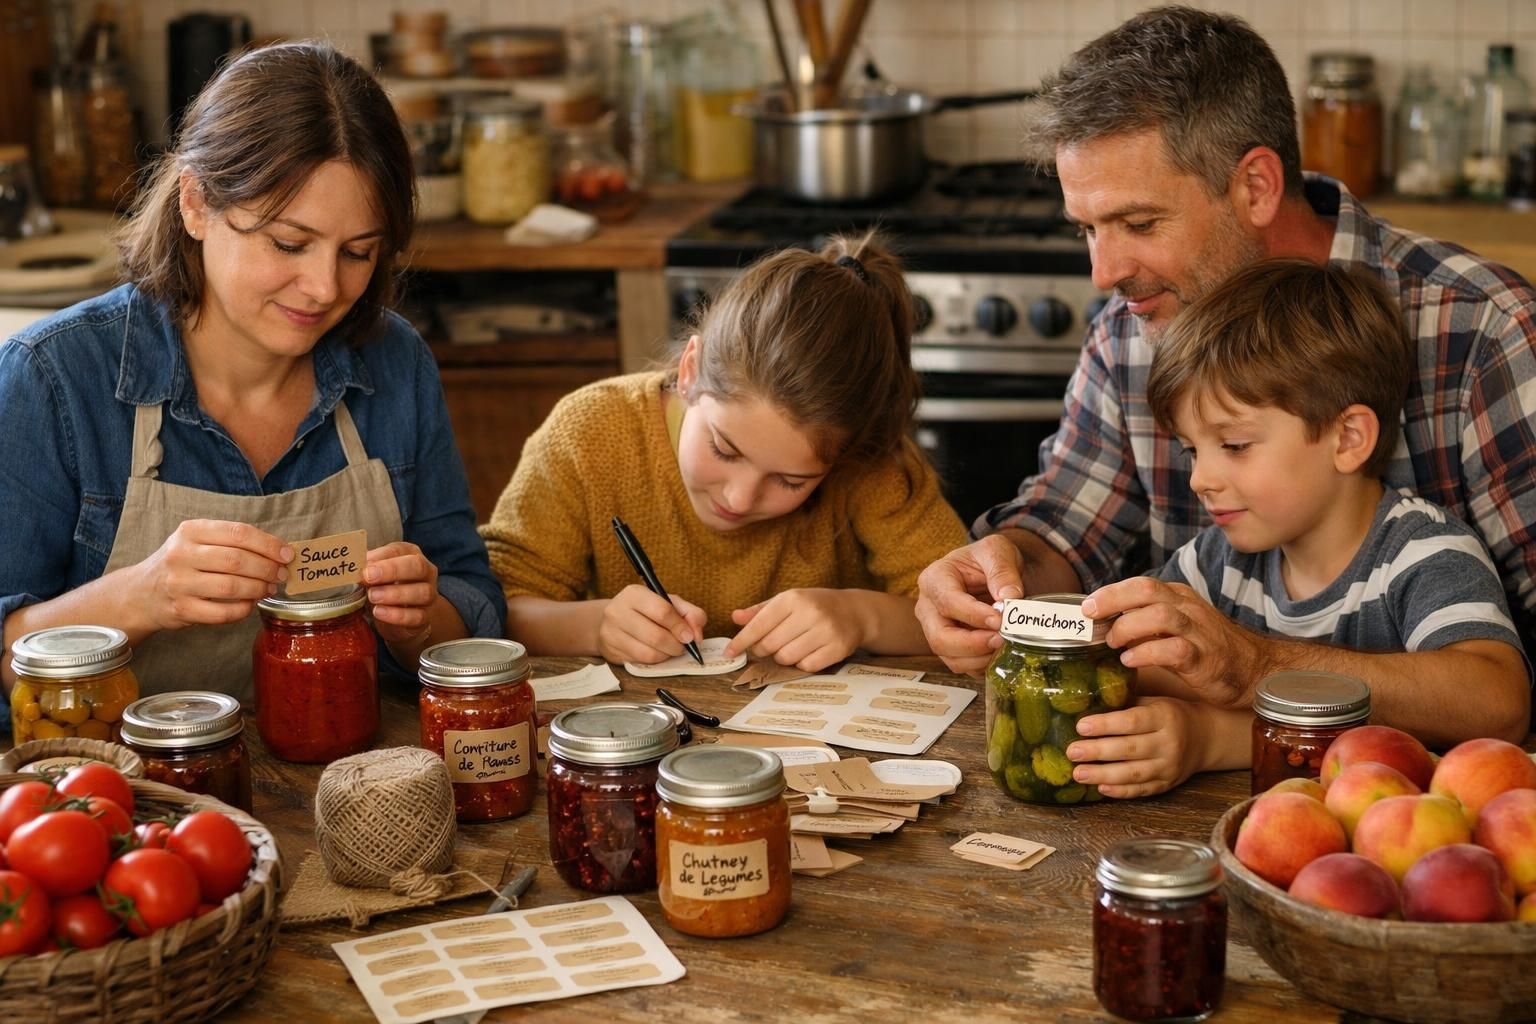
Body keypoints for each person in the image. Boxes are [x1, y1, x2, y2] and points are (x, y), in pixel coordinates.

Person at [915, 6, 1536, 741]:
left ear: (1257, 187)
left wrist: (1257, 667)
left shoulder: (1485, 331)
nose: (1103, 274)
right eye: (1087, 229)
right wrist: (993, 577)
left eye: (1139, 224)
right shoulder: (1131, 330)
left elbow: (1501, 691)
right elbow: (1066, 535)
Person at [0, 42, 505, 711]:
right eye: (289, 244)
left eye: (358, 252)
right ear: (196, 203)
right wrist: (137, 598)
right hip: (124, 773)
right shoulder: (52, 377)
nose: (324, 287)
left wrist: (420, 622)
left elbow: (471, 606)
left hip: (353, 765)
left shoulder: (395, 361)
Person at [1059, 259, 1529, 797]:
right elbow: (1149, 663)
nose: (1200, 479)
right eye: (1192, 450)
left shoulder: (1425, 553)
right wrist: (1041, 638)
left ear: (1348, 439)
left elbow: (1499, 704)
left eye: (1234, 445)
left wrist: (1212, 735)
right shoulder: (1214, 562)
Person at [480, 234, 969, 671]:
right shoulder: (590, 431)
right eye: (724, 449)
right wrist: (596, 626)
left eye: (791, 481)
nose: (739, 498)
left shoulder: (872, 462)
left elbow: (966, 616)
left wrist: (863, 618)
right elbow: (495, 610)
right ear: (690, 371)